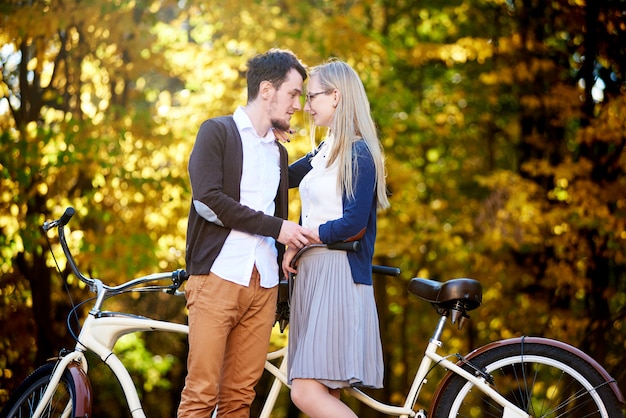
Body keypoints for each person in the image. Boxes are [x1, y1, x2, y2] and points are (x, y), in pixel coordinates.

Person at [178, 48, 319, 418]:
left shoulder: (278, 153)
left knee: (239, 400)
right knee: (200, 395)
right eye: (293, 94)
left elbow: (280, 203)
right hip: (217, 278)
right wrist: (279, 229)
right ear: (267, 90)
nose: (298, 105)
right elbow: (208, 200)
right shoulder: (217, 132)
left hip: (264, 286)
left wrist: (285, 247)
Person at [283, 59, 390, 417]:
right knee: (325, 392)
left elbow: (354, 223)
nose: (307, 106)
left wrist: (305, 236)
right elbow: (281, 178)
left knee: (304, 391)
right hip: (313, 274)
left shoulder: (358, 152)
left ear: (336, 96)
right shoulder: (324, 152)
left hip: (338, 273)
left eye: (312, 97)